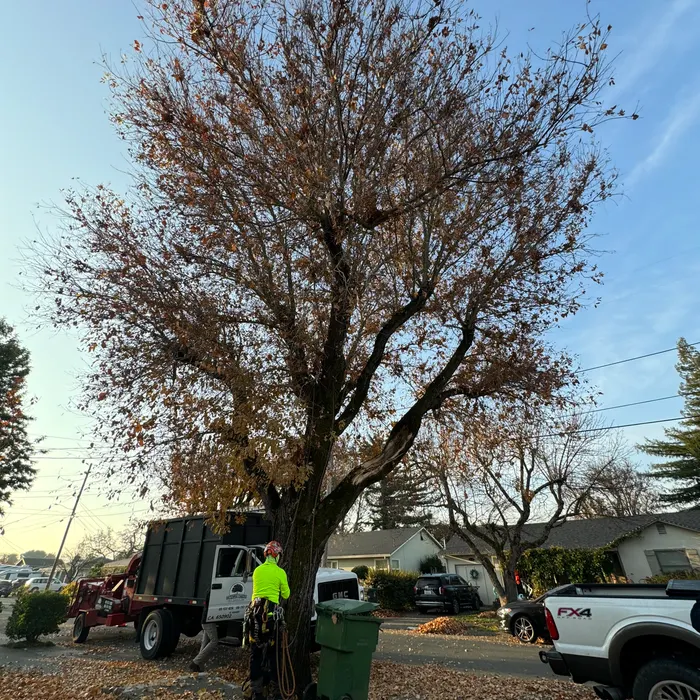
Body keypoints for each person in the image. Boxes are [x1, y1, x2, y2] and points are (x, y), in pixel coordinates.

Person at [246, 540, 290, 700]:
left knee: (255, 655)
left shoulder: (257, 571)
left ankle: (256, 692)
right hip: (271, 621)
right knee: (274, 656)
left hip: (255, 618)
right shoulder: (280, 572)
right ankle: (276, 692)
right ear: (277, 555)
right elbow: (286, 595)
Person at [189, 592, 219, 673]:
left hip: (205, 620)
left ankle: (199, 666)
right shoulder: (213, 593)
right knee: (214, 641)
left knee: (205, 643)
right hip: (209, 621)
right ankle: (195, 662)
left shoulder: (209, 592)